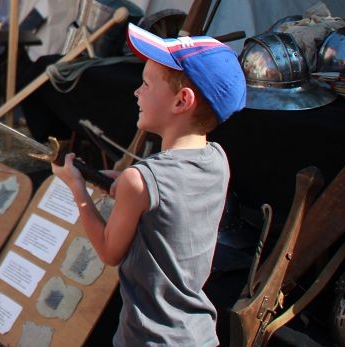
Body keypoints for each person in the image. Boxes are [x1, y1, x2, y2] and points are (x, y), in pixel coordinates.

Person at [51, 24, 246, 346]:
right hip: (197, 335)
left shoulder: (140, 180)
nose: (136, 92)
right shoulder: (217, 159)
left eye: (146, 84)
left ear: (182, 101)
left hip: (148, 338)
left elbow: (109, 252)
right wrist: (130, 188)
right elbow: (170, 202)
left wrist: (77, 188)